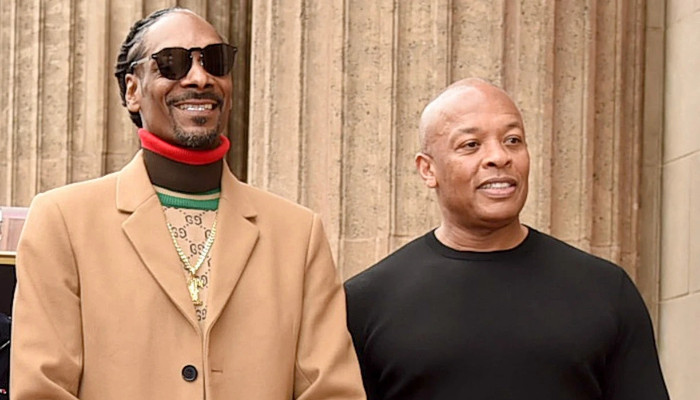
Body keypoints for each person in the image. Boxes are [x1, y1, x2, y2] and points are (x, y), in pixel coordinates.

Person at [11, 8, 365, 400]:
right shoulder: (63, 221)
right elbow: (41, 390)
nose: (199, 78)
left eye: (215, 61)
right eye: (172, 63)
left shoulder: (298, 234)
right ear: (133, 91)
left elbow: (333, 392)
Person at [344, 78, 669, 400]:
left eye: (513, 140)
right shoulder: (365, 302)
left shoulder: (606, 289)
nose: (499, 157)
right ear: (428, 170)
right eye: (471, 145)